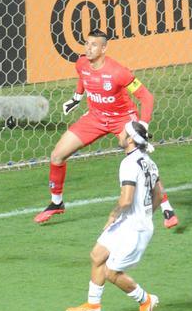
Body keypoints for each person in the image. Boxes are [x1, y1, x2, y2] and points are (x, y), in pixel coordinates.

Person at [35, 29, 179, 229]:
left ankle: (166, 206)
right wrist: (77, 98)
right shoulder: (81, 63)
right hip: (95, 118)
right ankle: (57, 202)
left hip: (122, 119)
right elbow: (83, 77)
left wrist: (143, 124)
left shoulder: (118, 72)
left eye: (94, 45)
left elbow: (147, 97)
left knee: (140, 160)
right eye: (87, 43)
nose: (89, 48)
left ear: (104, 48)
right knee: (57, 156)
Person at [66, 120, 161, 311]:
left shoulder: (128, 164)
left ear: (130, 140)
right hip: (131, 222)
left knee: (112, 272)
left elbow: (126, 200)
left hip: (134, 227)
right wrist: (145, 214)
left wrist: (113, 215)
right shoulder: (149, 161)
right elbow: (159, 196)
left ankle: (146, 300)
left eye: (122, 133)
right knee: (97, 255)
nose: (118, 134)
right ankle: (93, 305)